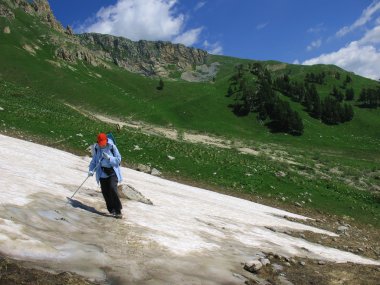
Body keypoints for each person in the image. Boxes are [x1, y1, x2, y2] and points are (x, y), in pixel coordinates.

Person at [88, 133, 123, 219]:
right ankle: (111, 210)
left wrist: (109, 158)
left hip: (112, 172)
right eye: (101, 142)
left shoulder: (112, 147)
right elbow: (93, 162)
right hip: (102, 173)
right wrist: (91, 170)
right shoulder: (96, 148)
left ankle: (118, 210)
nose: (102, 144)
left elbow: (118, 160)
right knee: (105, 192)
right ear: (98, 142)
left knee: (112, 188)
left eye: (104, 142)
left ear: (106, 140)